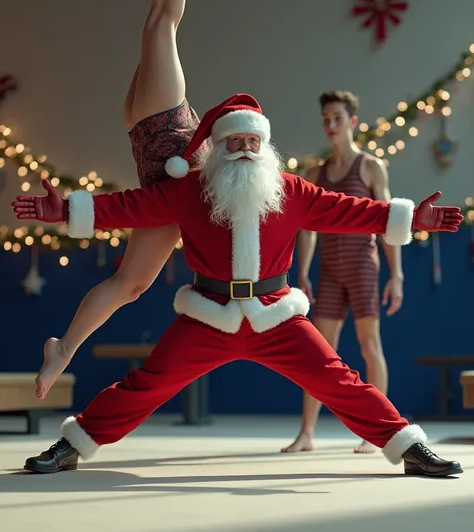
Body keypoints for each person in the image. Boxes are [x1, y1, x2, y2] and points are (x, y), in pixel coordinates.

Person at [13, 93, 463, 478]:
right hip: (208, 314)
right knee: (145, 385)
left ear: (264, 146)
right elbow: (129, 206)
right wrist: (70, 212)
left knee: (340, 381)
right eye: (236, 141)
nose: (245, 149)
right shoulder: (189, 190)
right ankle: (73, 443)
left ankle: (406, 446)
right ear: (219, 146)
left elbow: (350, 210)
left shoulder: (292, 190)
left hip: (277, 316)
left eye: (253, 141)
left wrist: (406, 218)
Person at [35, 0, 209, 400]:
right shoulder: (202, 198)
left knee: (131, 286)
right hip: (164, 132)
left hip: (147, 142)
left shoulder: (176, 215)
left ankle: (62, 350)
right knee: (161, 23)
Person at [282, 90, 404, 455]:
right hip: (330, 269)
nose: (331, 125)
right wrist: (302, 271)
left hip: (363, 265)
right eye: (326, 119)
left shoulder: (370, 167)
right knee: (320, 354)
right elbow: (307, 229)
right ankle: (306, 433)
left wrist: (396, 275)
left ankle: (376, 431)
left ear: (352, 122)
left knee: (370, 346)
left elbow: (390, 223)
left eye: (337, 118)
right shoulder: (314, 173)